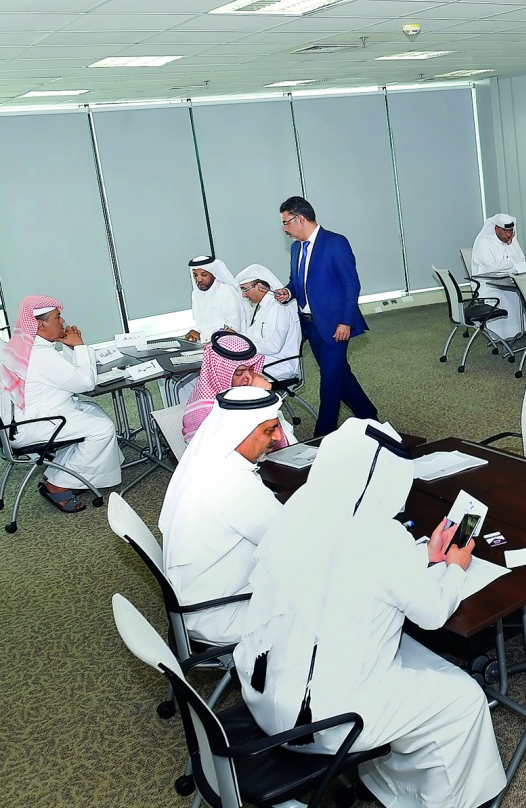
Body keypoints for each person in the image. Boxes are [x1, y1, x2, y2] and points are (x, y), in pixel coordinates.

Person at [233, 419, 506, 808]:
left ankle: (386, 786)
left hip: (265, 692)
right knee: (463, 697)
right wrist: (456, 566)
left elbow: (345, 567)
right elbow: (430, 613)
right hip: (323, 722)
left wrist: (426, 557)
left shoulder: (296, 510)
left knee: (414, 657)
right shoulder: (381, 536)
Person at [159, 387, 285, 645]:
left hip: (205, 591)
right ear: (239, 432)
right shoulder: (231, 483)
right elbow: (292, 537)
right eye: (269, 430)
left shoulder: (204, 461)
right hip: (222, 612)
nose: (278, 436)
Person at [0, 296, 123, 512]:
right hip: (34, 424)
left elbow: (66, 376)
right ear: (40, 324)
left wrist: (70, 347)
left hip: (26, 418)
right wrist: (80, 346)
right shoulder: (39, 354)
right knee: (103, 429)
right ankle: (58, 484)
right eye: (57, 317)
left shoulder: (27, 345)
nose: (62, 321)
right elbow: (85, 383)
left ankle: (60, 473)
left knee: (94, 411)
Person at [274, 195, 379, 437]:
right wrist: (287, 292)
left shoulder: (335, 243)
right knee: (340, 373)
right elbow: (296, 282)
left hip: (335, 325)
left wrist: (346, 321)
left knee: (329, 384)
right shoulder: (295, 248)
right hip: (311, 326)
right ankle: (368, 415)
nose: (284, 229)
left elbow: (351, 285)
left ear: (300, 219)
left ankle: (322, 438)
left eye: (286, 222)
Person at [181, 331, 290, 444]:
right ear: (220, 372)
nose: (248, 377)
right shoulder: (209, 411)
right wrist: (262, 397)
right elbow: (251, 444)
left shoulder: (231, 394)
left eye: (251, 369)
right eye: (239, 373)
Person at [234, 264, 302, 382]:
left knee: (230, 372)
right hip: (265, 359)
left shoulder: (278, 307)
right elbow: (251, 333)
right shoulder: (264, 306)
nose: (244, 294)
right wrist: (233, 337)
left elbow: (273, 346)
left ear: (260, 287)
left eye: (245, 289)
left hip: (279, 364)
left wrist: (244, 346)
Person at [470, 213, 526, 340]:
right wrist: (512, 264)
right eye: (505, 231)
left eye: (511, 231)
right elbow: (492, 267)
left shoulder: (511, 240)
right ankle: (500, 334)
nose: (508, 234)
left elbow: (521, 261)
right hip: (487, 284)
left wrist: (511, 248)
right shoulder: (484, 241)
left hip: (509, 280)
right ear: (496, 228)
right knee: (505, 295)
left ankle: (522, 329)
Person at [185, 255, 246, 344]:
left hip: (230, 346)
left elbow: (233, 329)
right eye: (195, 275)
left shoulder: (226, 291)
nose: (199, 280)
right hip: (207, 345)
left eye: (204, 275)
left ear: (214, 274)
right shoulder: (195, 294)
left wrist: (203, 336)